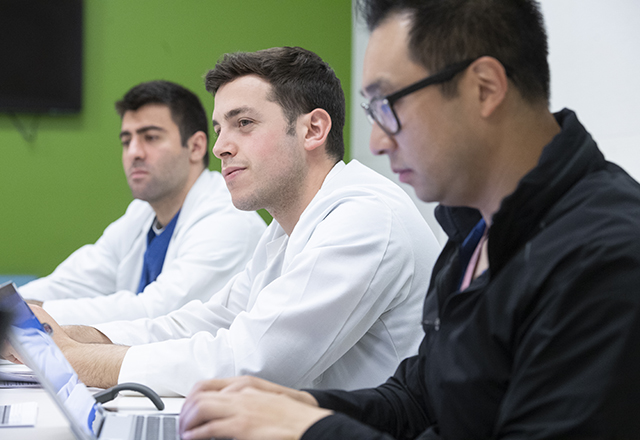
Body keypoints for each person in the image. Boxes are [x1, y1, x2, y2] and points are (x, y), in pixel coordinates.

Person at [176, 1, 640, 439]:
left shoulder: (603, 255)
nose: (376, 141)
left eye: (388, 105)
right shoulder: (471, 234)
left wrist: (309, 430)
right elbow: (418, 401)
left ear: (484, 88)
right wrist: (298, 406)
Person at [24, 47, 441, 396]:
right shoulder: (287, 227)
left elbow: (249, 363)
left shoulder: (364, 218)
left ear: (313, 129)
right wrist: (80, 335)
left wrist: (76, 359)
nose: (221, 147)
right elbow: (209, 319)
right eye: (220, 128)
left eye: (244, 123)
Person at [19, 81, 266, 326]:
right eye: (127, 141)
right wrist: (10, 305)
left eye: (150, 137)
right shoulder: (141, 215)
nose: (134, 152)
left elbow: (158, 313)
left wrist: (29, 314)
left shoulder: (229, 221)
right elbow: (75, 281)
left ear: (196, 146)